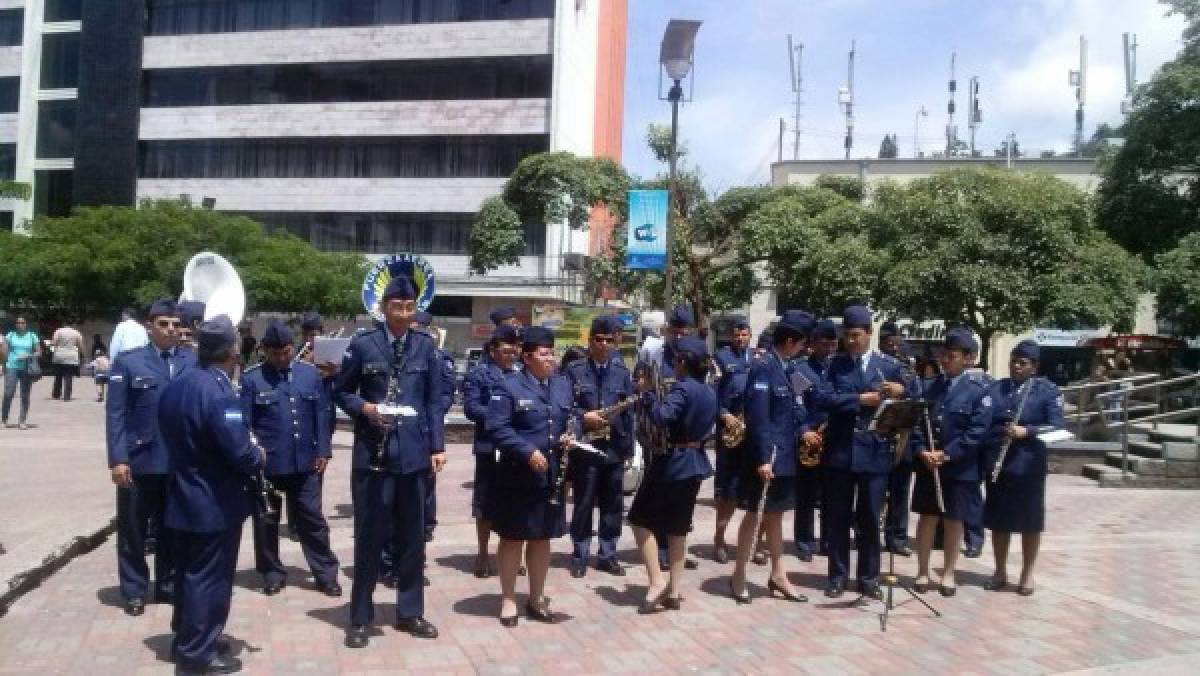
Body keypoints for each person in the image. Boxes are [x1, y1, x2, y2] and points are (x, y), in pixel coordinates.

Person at [334, 276, 445, 647]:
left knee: (413, 538)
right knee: (369, 537)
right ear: (383, 308)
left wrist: (437, 446)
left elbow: (433, 401)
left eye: (409, 306)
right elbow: (341, 391)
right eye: (396, 306)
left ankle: (410, 611)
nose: (403, 312)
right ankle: (361, 616)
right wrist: (364, 408)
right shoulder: (363, 345)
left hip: (413, 456)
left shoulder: (425, 347)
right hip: (374, 454)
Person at [160, 315, 262, 675]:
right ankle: (196, 655)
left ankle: (186, 638)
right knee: (210, 578)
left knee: (189, 574)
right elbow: (239, 452)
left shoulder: (176, 385)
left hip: (182, 495)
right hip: (214, 502)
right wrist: (258, 454)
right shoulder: (219, 392)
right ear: (233, 351)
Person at [105, 299, 196, 616]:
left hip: (178, 461)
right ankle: (133, 590)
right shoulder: (129, 362)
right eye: (163, 324)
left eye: (175, 324)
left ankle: (168, 585)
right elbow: (115, 414)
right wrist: (118, 458)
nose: (171, 329)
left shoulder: (191, 361)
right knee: (133, 529)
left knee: (172, 528)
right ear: (150, 326)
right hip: (139, 459)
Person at [241, 320, 341, 598]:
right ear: (265, 351)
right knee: (267, 521)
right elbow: (245, 424)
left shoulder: (309, 375)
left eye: (285, 352)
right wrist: (252, 455)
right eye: (275, 353)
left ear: (292, 348)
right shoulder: (252, 379)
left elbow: (321, 414)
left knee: (312, 519)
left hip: (305, 462)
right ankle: (271, 572)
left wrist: (323, 450)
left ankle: (325, 574)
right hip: (269, 464)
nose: (281, 358)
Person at [485, 326, 578, 627]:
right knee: (513, 537)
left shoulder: (562, 384)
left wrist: (571, 433)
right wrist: (525, 451)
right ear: (527, 358)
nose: (550, 359)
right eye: (544, 354)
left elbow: (571, 416)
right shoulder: (509, 386)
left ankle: (536, 597)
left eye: (552, 353)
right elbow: (497, 427)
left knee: (541, 538)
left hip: (551, 476)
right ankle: (509, 598)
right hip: (517, 475)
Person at [817, 305, 911, 599]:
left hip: (874, 452)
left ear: (869, 333)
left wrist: (900, 391)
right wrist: (860, 399)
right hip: (841, 451)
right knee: (837, 517)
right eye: (847, 335)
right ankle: (837, 575)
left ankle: (869, 578)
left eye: (856, 335)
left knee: (870, 517)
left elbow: (911, 400)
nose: (851, 341)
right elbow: (824, 398)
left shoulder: (890, 366)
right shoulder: (835, 364)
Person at [729, 310, 815, 604]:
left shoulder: (791, 369)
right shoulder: (763, 368)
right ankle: (739, 574)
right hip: (766, 456)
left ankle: (779, 574)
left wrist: (805, 429)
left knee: (776, 516)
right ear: (790, 341)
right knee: (754, 515)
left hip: (787, 455)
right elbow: (758, 417)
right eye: (802, 342)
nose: (805, 348)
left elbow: (799, 407)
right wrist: (763, 458)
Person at [626, 335, 716, 613]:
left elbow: (661, 417)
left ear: (683, 363)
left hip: (673, 462)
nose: (673, 365)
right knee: (678, 529)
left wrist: (650, 394)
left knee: (639, 519)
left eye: (676, 360)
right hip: (695, 461)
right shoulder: (709, 391)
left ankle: (656, 581)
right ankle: (675, 591)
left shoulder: (683, 389)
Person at [911, 328, 993, 597]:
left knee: (954, 519)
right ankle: (922, 571)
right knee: (928, 517)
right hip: (929, 465)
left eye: (952, 355)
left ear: (968, 359)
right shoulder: (930, 386)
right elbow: (917, 425)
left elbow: (976, 432)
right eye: (943, 354)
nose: (945, 360)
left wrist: (946, 454)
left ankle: (948, 573)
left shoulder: (979, 391)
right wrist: (922, 450)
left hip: (959, 466)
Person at [983, 339, 1065, 597]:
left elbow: (1058, 427)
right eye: (1013, 362)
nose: (1016, 367)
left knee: (1030, 522)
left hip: (1028, 464)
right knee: (999, 521)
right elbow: (985, 421)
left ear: (1034, 366)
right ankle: (999, 571)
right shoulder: (998, 388)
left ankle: (1027, 573)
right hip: (1000, 463)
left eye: (1023, 363)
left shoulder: (1047, 391)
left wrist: (1027, 430)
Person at [564, 315, 635, 578]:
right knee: (583, 502)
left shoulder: (621, 372)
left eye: (608, 340)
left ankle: (608, 553)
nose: (604, 345)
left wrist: (628, 448)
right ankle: (580, 552)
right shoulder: (575, 370)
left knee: (613, 503)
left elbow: (629, 413)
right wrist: (584, 417)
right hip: (586, 448)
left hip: (613, 447)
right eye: (598, 339)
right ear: (590, 340)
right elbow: (566, 406)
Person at [636, 304, 702, 572]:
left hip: (684, 438)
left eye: (684, 331)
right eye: (675, 331)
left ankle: (676, 548)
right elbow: (639, 384)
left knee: (681, 499)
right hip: (657, 436)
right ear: (666, 331)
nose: (679, 336)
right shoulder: (653, 354)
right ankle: (661, 548)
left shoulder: (695, 356)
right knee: (659, 496)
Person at [461, 324, 522, 577]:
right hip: (490, 446)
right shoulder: (479, 374)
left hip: (518, 447)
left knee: (516, 502)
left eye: (515, 350)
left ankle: (513, 555)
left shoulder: (523, 374)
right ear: (493, 350)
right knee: (485, 503)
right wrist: (500, 416)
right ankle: (483, 554)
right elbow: (471, 408)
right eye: (506, 350)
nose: (512, 355)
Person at [794, 318, 838, 560]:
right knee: (806, 494)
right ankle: (804, 540)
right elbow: (796, 403)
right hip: (809, 439)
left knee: (832, 495)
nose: (828, 350)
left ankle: (828, 540)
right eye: (824, 345)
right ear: (812, 344)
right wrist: (804, 430)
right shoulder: (800, 370)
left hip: (833, 439)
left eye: (832, 345)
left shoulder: (838, 368)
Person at [411, 310, 455, 544]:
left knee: (427, 484)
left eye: (419, 327)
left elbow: (445, 392)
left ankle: (427, 524)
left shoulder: (438, 356)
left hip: (428, 426)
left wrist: (435, 412)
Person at [712, 318, 753, 563]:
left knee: (753, 491)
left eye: (744, 335)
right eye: (736, 335)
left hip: (752, 430)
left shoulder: (758, 358)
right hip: (729, 431)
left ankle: (754, 543)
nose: (740, 339)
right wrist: (725, 415)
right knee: (727, 491)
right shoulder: (720, 358)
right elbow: (712, 393)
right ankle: (719, 539)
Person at [878, 321, 917, 557]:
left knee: (900, 493)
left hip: (902, 438)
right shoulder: (876, 366)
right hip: (879, 437)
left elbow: (917, 396)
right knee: (875, 491)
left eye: (896, 342)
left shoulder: (907, 369)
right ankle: (869, 532)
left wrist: (903, 390)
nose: (893, 346)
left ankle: (897, 538)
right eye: (888, 342)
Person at [2, 316, 42, 429]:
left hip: (26, 368)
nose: (20, 324)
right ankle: (4, 419)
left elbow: (39, 352)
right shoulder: (10, 335)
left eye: (22, 322)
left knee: (25, 395)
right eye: (18, 322)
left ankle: (22, 421)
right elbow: (4, 351)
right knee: (8, 393)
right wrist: (2, 364)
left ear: (26, 324)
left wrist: (28, 355)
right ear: (15, 324)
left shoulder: (32, 336)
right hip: (11, 367)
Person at [50, 321, 85, 401]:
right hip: (71, 357)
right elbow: (80, 345)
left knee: (58, 376)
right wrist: (83, 355)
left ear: (64, 324)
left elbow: (54, 343)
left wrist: (51, 346)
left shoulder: (58, 331)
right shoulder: (76, 333)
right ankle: (67, 396)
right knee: (68, 377)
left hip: (59, 356)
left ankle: (56, 394)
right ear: (72, 325)